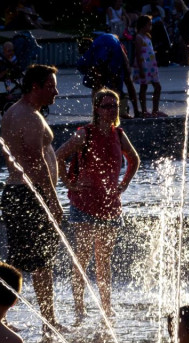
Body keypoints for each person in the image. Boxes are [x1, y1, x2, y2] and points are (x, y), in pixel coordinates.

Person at [55, 88, 140, 322]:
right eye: (106, 106)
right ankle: (79, 308)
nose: (111, 110)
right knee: (82, 257)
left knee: (104, 261)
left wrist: (123, 185)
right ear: (96, 109)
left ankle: (106, 307)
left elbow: (134, 160)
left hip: (110, 205)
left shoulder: (118, 134)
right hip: (84, 204)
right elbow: (58, 155)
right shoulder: (85, 134)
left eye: (114, 106)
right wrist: (69, 184)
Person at [0, 64, 65, 335]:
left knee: (23, 260)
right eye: (50, 86)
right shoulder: (29, 117)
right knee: (39, 262)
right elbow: (37, 165)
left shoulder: (18, 112)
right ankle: (47, 323)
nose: (56, 91)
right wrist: (54, 201)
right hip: (30, 195)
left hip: (21, 193)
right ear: (35, 87)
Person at [77, 33, 140, 118]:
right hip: (112, 54)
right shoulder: (113, 42)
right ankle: (132, 111)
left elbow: (90, 68)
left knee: (98, 84)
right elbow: (123, 62)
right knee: (123, 83)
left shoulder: (98, 46)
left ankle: (98, 113)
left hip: (108, 54)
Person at [133, 15, 165, 117]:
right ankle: (144, 111)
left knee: (157, 87)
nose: (151, 26)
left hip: (151, 66)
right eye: (149, 24)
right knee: (144, 87)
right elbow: (138, 54)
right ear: (143, 25)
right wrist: (141, 69)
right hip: (144, 66)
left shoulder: (147, 36)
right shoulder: (139, 37)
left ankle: (155, 110)